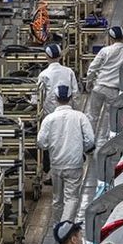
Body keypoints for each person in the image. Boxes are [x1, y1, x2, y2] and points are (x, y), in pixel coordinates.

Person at [37, 85, 95, 224]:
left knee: (57, 199)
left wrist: (50, 148)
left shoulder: (49, 119)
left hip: (56, 164)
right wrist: (83, 150)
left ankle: (58, 225)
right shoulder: (80, 117)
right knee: (72, 198)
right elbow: (90, 140)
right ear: (70, 99)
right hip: (75, 163)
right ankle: (65, 227)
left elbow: (41, 142)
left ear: (56, 99)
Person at [86, 26, 123, 143]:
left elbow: (92, 68)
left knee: (92, 116)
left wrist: (89, 82)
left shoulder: (105, 51)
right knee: (108, 118)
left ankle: (89, 142)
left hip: (99, 86)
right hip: (114, 90)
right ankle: (103, 143)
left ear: (111, 38)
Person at [37, 43, 79, 115]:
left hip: (50, 112)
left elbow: (39, 97)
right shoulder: (69, 72)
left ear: (46, 56)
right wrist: (76, 111)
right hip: (68, 110)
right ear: (60, 56)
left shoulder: (43, 75)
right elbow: (75, 93)